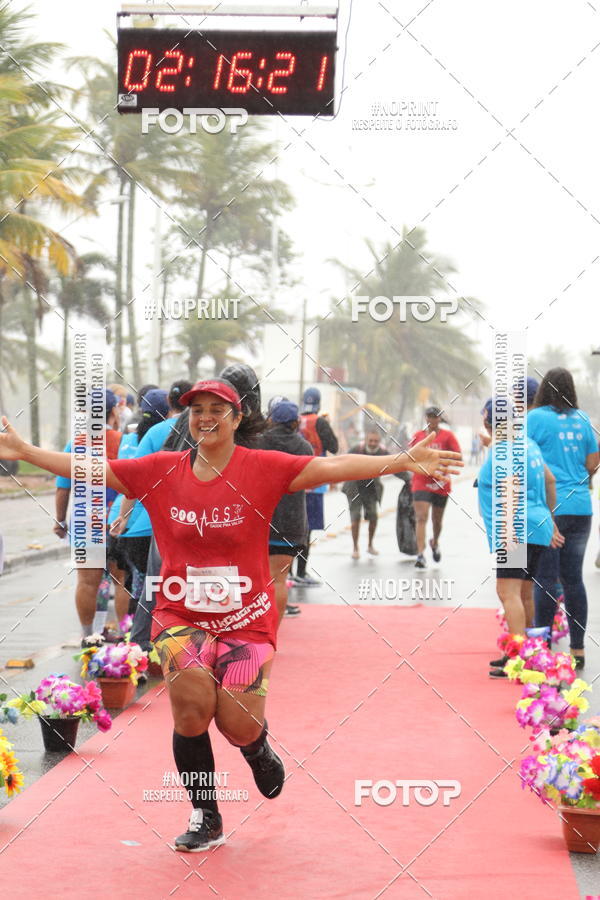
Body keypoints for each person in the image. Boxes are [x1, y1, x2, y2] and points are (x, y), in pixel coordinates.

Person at [0, 380, 462, 852]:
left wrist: (402, 461)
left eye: (216, 409)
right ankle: (207, 815)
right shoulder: (160, 470)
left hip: (248, 619)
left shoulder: (261, 466)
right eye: (196, 409)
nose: (205, 417)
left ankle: (256, 747)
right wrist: (24, 451)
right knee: (192, 711)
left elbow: (330, 466)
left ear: (237, 418)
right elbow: (93, 469)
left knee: (236, 722)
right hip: (182, 616)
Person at [477, 397, 564, 677]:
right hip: (537, 525)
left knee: (507, 591)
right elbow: (550, 481)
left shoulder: (502, 450)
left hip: (514, 527)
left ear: (490, 424)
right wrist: (550, 521)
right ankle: (528, 652)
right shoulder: (529, 445)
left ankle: (517, 658)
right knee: (525, 593)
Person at [528, 368, 599, 668]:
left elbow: (522, 457)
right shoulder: (583, 420)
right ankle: (578, 649)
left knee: (544, 580)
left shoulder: (533, 419)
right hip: (581, 509)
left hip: (549, 508)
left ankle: (541, 646)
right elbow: (593, 462)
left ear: (544, 389)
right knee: (573, 580)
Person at [54, 389, 130, 640]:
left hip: (85, 521)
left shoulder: (74, 444)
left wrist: (60, 520)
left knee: (87, 582)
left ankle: (88, 637)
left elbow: (63, 488)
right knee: (121, 580)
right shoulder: (122, 442)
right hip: (117, 520)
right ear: (112, 411)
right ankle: (125, 638)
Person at [262, 400, 313, 621]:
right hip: (292, 524)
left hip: (261, 521)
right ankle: (274, 631)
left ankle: (257, 630)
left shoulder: (258, 443)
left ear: (271, 419)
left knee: (257, 580)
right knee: (279, 580)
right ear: (295, 423)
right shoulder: (304, 447)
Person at [295, 387, 339, 585]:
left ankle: (287, 573)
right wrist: (328, 426)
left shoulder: (293, 419)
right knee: (307, 530)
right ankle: (301, 572)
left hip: (294, 481)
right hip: (315, 481)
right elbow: (334, 447)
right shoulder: (320, 422)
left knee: (291, 528)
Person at [410, 407, 462, 568]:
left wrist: (440, 458)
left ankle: (435, 542)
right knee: (421, 517)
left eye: (435, 417)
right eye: (429, 417)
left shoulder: (448, 436)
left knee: (436, 520)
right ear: (426, 419)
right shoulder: (418, 436)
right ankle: (420, 554)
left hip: (441, 482)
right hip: (421, 481)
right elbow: (408, 456)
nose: (432, 420)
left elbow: (458, 455)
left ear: (440, 419)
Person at [342, 426, 389, 559]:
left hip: (371, 489)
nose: (373, 444)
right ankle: (355, 548)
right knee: (355, 517)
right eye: (371, 441)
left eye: (376, 441)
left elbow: (397, 465)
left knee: (373, 516)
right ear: (366, 440)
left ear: (379, 441)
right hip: (354, 487)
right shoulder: (356, 450)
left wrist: (408, 480)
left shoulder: (383, 452)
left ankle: (370, 545)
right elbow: (342, 464)